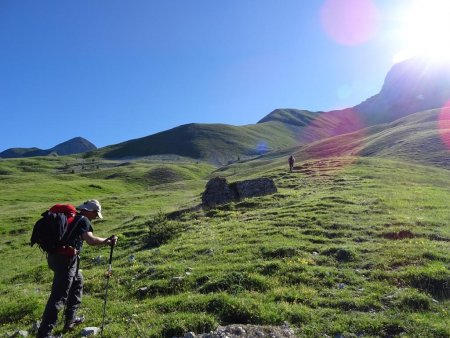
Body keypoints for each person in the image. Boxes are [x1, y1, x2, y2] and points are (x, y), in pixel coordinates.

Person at [37, 199, 118, 338]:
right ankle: (44, 334)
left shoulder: (70, 218)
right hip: (66, 261)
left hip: (54, 257)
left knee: (77, 281)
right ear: (89, 211)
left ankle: (70, 320)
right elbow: (91, 240)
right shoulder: (83, 220)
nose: (95, 218)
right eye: (95, 214)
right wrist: (107, 241)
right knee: (59, 296)